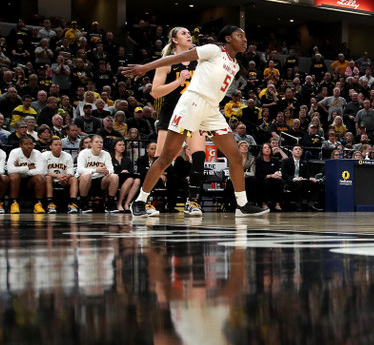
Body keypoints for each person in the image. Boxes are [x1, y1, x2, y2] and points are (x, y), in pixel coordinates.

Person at [121, 26, 268, 217]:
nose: (244, 40)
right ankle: (139, 201)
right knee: (167, 156)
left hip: (212, 110)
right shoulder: (214, 50)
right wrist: (146, 67)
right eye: (239, 35)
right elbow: (177, 58)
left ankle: (242, 204)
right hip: (192, 102)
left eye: (245, 36)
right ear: (227, 39)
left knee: (235, 156)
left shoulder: (235, 65)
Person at [149, 26, 209, 217]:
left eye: (189, 33)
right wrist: (178, 81)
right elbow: (155, 91)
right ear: (174, 40)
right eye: (183, 33)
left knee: (199, 155)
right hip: (171, 113)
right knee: (161, 158)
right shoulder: (166, 62)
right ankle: (148, 201)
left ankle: (193, 201)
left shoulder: (198, 61)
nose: (188, 35)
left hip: (194, 113)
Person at [76, 134, 120, 213]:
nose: (99, 144)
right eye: (96, 142)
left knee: (114, 177)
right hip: (85, 180)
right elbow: (80, 170)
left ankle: (110, 204)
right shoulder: (84, 153)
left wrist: (107, 171)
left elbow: (111, 170)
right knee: (87, 175)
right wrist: (95, 170)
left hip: (100, 179)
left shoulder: (106, 154)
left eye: (101, 142)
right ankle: (83, 203)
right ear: (91, 144)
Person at [6, 134, 47, 213]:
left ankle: (38, 204)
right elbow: (10, 170)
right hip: (16, 181)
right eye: (26, 144)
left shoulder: (37, 153)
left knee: (40, 178)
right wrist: (27, 167)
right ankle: (14, 203)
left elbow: (40, 171)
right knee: (14, 176)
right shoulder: (14, 152)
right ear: (20, 145)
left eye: (31, 144)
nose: (29, 146)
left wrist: (19, 169)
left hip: (30, 181)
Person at [42, 136, 79, 213]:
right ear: (50, 146)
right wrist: (56, 176)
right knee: (48, 178)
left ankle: (72, 203)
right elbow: (43, 172)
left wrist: (66, 177)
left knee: (74, 179)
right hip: (51, 179)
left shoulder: (67, 156)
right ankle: (50, 203)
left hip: (64, 179)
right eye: (55, 145)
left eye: (60, 145)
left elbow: (71, 172)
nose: (58, 147)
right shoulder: (44, 155)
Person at [110, 138, 139, 213]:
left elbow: (132, 172)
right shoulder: (110, 158)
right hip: (114, 179)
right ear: (114, 147)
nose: (122, 147)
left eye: (123, 145)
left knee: (137, 180)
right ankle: (119, 203)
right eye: (119, 145)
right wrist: (120, 172)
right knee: (130, 179)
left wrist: (126, 172)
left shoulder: (127, 160)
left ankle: (126, 203)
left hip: (126, 179)